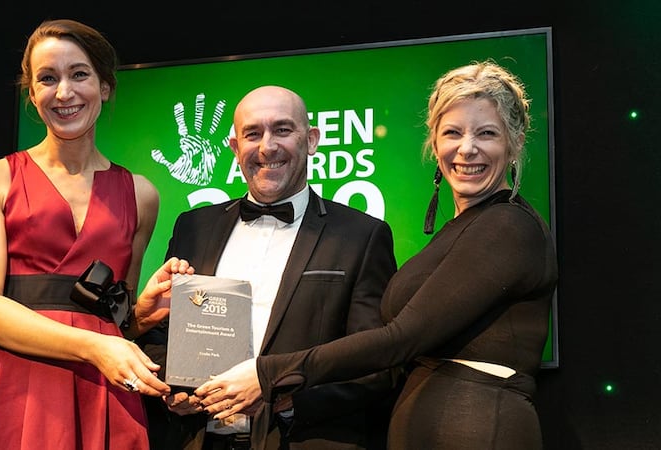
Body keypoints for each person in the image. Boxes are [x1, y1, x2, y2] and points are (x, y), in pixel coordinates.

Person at [195, 61, 559, 450]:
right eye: (452, 132)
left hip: (480, 429)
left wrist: (269, 373)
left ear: (515, 142)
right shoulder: (466, 227)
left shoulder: (507, 227)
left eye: (486, 133)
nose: (466, 148)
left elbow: (399, 338)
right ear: (434, 143)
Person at [0, 19, 193, 450]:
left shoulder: (141, 195)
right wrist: (93, 347)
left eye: (79, 74)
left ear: (105, 87)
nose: (64, 92)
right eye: (47, 78)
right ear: (32, 94)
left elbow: (116, 322)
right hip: (11, 384)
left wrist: (144, 314)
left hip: (103, 395)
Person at [138, 85, 398, 449]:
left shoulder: (362, 236)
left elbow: (376, 363)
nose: (267, 146)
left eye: (282, 129)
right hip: (197, 439)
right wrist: (172, 388)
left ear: (311, 140)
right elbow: (158, 333)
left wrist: (285, 401)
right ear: (234, 147)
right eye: (252, 133)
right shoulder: (193, 227)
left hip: (299, 439)